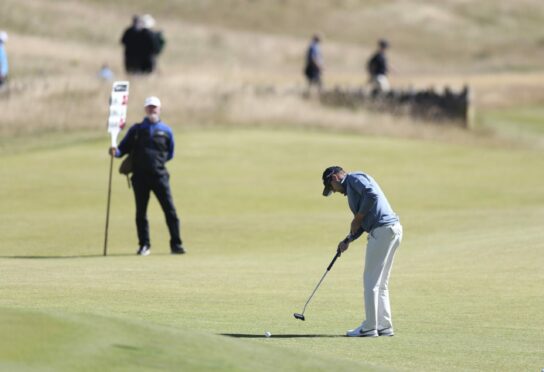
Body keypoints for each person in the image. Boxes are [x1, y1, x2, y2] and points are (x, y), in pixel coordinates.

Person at [321, 166, 402, 337]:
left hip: (382, 231)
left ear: (335, 178)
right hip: (391, 230)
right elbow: (363, 222)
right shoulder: (352, 189)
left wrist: (357, 217)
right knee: (380, 282)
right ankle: (384, 326)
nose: (334, 192)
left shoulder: (354, 179)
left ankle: (370, 327)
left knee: (371, 282)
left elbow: (371, 195)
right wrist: (348, 239)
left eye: (331, 188)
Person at [110, 96, 186, 256]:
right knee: (141, 213)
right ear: (145, 109)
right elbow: (121, 149)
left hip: (160, 177)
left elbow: (170, 153)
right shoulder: (136, 130)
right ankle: (144, 245)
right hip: (140, 177)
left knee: (170, 210)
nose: (152, 110)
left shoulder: (166, 131)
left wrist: (157, 163)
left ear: (159, 109)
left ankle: (176, 244)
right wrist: (114, 151)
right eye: (149, 107)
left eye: (155, 107)